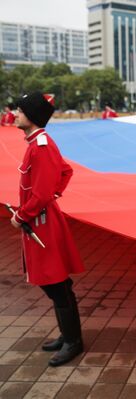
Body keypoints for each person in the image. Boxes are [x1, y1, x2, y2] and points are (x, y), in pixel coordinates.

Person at [10, 92, 85, 366]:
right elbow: (65, 172)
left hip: (41, 221)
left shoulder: (40, 146)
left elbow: (40, 193)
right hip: (42, 219)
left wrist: (21, 215)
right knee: (54, 283)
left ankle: (73, 341)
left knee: (56, 283)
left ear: (32, 116)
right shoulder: (36, 143)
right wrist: (52, 196)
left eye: (19, 110)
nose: (15, 114)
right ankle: (68, 336)